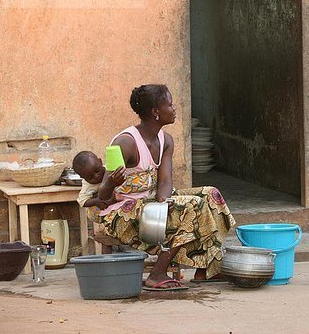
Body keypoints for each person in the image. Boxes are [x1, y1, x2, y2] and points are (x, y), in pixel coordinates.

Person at [96, 84, 236, 291]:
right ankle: (157, 274)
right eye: (169, 104)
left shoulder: (166, 140)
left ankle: (207, 269)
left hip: (151, 204)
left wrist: (164, 202)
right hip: (122, 213)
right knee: (191, 206)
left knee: (210, 194)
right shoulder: (124, 143)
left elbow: (165, 181)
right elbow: (102, 196)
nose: (174, 108)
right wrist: (110, 183)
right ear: (155, 112)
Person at [72, 151, 126, 220]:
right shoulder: (88, 186)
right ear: (83, 177)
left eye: (97, 170)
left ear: (100, 162)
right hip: (107, 206)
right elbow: (82, 201)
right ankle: (113, 200)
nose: (97, 176)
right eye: (90, 177)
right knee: (102, 202)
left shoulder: (109, 169)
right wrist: (96, 201)